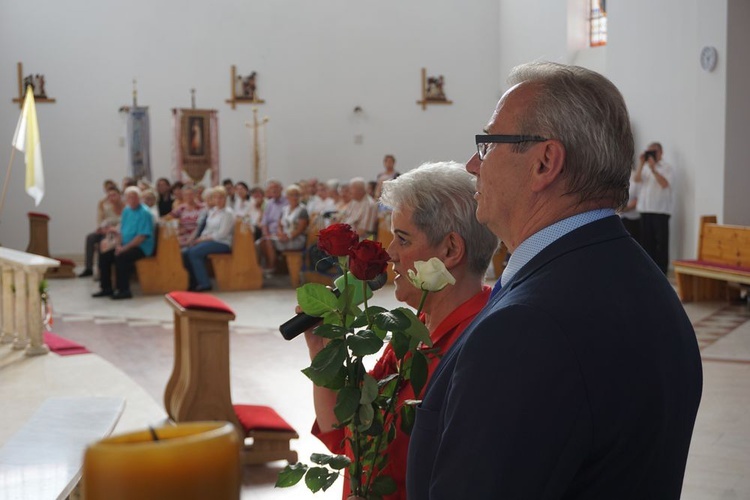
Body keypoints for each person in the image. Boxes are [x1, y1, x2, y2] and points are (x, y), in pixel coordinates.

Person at [406, 62, 702, 499]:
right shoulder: (638, 277)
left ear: (545, 162)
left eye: (487, 144)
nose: (472, 164)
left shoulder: (529, 326)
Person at [306, 162, 498, 500]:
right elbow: (349, 435)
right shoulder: (413, 329)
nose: (390, 254)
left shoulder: (480, 345)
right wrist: (322, 351)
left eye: (403, 239)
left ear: (450, 250)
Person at [92, 186, 154, 300]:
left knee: (121, 256)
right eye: (129, 197)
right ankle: (106, 288)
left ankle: (124, 290)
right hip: (125, 244)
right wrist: (118, 245)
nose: (132, 199)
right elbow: (121, 230)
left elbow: (141, 237)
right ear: (125, 199)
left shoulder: (145, 212)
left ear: (139, 198)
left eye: (134, 197)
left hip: (141, 247)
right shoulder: (127, 210)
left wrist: (123, 248)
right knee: (104, 254)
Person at [182, 187, 234, 291]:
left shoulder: (228, 213)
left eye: (221, 198)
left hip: (222, 243)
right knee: (185, 252)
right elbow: (207, 229)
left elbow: (222, 234)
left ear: (225, 199)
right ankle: (194, 282)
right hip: (209, 240)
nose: (218, 200)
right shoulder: (213, 211)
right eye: (215, 198)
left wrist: (203, 240)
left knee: (194, 252)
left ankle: (205, 284)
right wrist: (200, 238)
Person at [634, 142, 673, 274]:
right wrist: (640, 163)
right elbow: (637, 179)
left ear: (660, 152)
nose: (650, 154)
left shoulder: (666, 167)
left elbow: (664, 184)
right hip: (645, 210)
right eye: (648, 151)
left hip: (660, 211)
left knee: (661, 244)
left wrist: (654, 169)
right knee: (646, 243)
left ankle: (662, 272)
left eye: (653, 151)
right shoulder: (644, 168)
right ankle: (648, 272)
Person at [79, 182, 122, 278]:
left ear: (119, 196)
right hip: (106, 230)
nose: (112, 198)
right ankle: (88, 268)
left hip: (117, 232)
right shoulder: (107, 207)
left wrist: (111, 229)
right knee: (90, 237)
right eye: (109, 196)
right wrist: (100, 228)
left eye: (114, 195)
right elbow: (103, 220)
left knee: (103, 241)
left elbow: (123, 223)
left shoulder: (125, 207)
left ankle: (101, 272)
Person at [258, 179, 287, 274]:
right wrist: (266, 234)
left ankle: (271, 267)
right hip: (270, 233)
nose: (273, 190)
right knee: (259, 243)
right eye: (271, 188)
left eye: (275, 188)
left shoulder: (287, 201)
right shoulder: (268, 203)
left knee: (266, 241)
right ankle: (264, 267)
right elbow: (264, 222)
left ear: (281, 188)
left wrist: (276, 234)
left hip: (282, 233)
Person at [619, 167, 641, 243]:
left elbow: (639, 197)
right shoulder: (615, 175)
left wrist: (625, 208)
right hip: (619, 217)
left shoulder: (636, 175)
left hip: (633, 218)